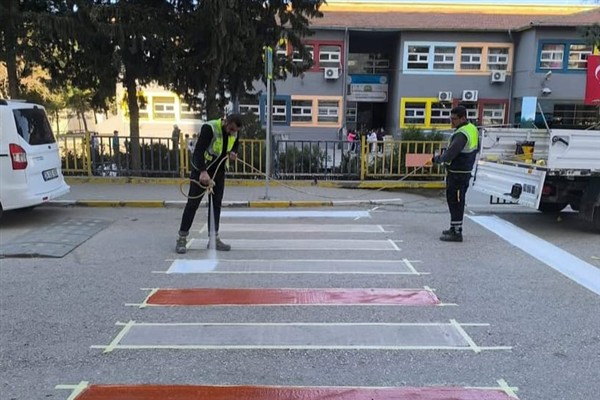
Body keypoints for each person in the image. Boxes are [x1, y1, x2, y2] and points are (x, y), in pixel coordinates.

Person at [176, 114, 243, 254]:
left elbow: (235, 144)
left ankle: (213, 239)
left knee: (216, 205)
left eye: (234, 131)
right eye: (230, 129)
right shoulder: (210, 128)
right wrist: (202, 172)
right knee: (192, 204)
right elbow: (198, 151)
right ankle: (182, 238)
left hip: (218, 172)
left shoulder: (235, 132)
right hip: (202, 170)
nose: (232, 132)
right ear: (226, 121)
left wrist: (234, 153)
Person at [431, 105, 479, 242]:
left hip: (458, 173)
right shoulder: (472, 129)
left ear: (463, 118)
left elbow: (452, 152)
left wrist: (438, 159)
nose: (452, 122)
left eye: (454, 119)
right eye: (450, 119)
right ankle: (454, 227)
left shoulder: (462, 133)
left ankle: (457, 232)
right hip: (463, 171)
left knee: (456, 201)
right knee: (455, 200)